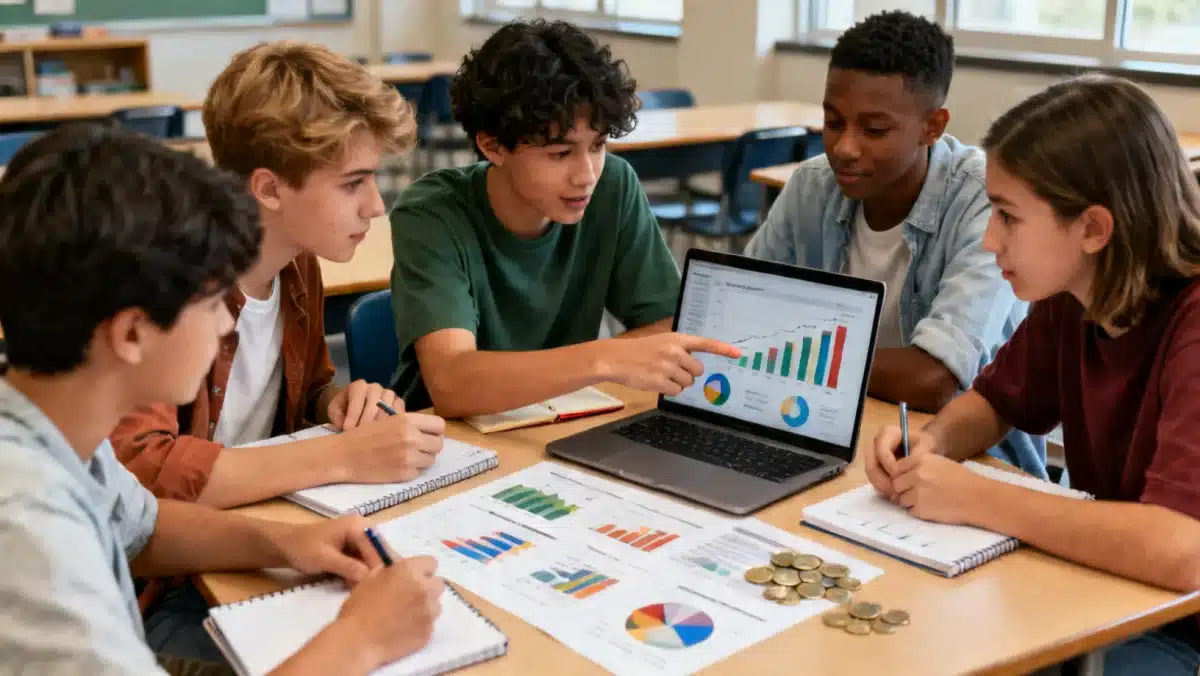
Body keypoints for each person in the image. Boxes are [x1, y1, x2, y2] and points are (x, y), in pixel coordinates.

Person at [0, 124, 444, 676]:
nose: (227, 320)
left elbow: (143, 528)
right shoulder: (25, 526)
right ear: (132, 334)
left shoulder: (54, 426)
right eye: (212, 301)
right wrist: (362, 641)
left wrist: (288, 544)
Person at [867, 74, 1200, 675]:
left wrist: (978, 497)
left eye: (1007, 217)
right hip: (1112, 586)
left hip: (1179, 622)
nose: (990, 241)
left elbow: (1182, 549)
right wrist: (931, 445)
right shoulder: (1074, 290)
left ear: (1095, 229)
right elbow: (995, 401)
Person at [111, 41, 446, 511]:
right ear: (269, 189)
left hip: (260, 519)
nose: (375, 205)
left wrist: (335, 402)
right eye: (353, 183)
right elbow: (141, 470)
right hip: (178, 567)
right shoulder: (167, 280)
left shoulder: (296, 261)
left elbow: (303, 388)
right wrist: (340, 455)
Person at [389, 19, 739, 417]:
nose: (586, 175)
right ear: (492, 146)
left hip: (561, 421)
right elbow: (453, 384)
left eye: (598, 145)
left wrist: (601, 362)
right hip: (445, 443)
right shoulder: (432, 213)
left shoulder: (613, 185)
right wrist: (603, 360)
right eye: (560, 154)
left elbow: (668, 326)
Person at [744, 11, 1043, 477]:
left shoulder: (986, 200)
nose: (844, 147)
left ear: (933, 126)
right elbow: (738, 319)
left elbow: (935, 379)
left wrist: (787, 353)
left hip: (961, 462)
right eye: (832, 121)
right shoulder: (811, 186)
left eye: (874, 130)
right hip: (821, 426)